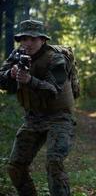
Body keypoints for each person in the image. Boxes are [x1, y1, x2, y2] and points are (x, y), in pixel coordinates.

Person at [0, 19, 77, 196]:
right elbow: (1, 79)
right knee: (15, 167)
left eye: (33, 39)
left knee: (54, 163)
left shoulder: (56, 58)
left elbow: (52, 90)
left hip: (59, 118)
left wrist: (29, 80)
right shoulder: (17, 54)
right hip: (33, 117)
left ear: (43, 40)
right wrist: (10, 74)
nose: (28, 43)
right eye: (24, 38)